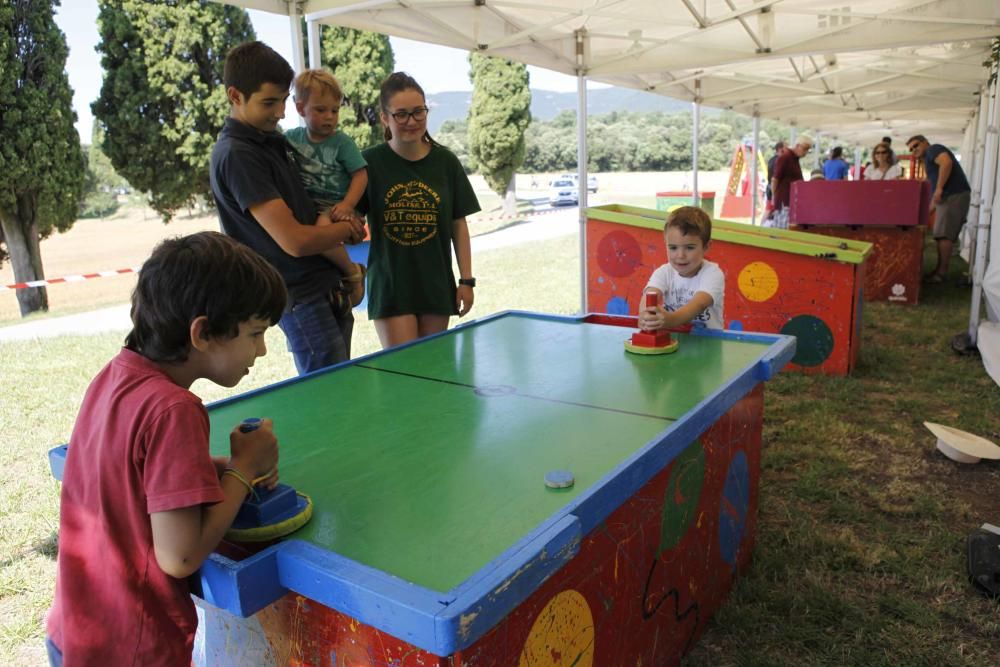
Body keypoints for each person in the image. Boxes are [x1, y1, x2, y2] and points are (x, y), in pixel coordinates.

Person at [46, 232, 284, 666]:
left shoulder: (116, 376)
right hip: (133, 650)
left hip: (73, 633)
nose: (263, 350)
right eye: (255, 333)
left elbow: (128, 472)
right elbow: (180, 556)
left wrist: (216, 467)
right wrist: (242, 471)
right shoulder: (175, 409)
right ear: (203, 332)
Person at [210, 41, 365, 375]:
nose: (280, 112)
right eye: (269, 102)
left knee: (344, 388)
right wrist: (347, 228)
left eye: (282, 100)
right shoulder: (238, 154)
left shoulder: (271, 140)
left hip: (326, 284)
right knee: (329, 397)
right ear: (235, 96)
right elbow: (295, 241)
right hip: (299, 292)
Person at [360, 72, 479, 349]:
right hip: (391, 287)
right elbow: (348, 218)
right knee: (405, 374)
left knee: (436, 373)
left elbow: (458, 225)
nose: (411, 121)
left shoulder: (446, 161)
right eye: (401, 114)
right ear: (385, 117)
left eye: (418, 112)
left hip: (435, 285)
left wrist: (467, 280)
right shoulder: (369, 163)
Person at [285, 68, 369, 307]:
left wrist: (348, 205)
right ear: (301, 109)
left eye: (335, 110)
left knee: (320, 230)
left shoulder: (341, 142)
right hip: (312, 205)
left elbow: (360, 175)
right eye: (320, 110)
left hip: (337, 206)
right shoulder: (292, 138)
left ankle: (352, 272)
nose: (330, 117)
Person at [638, 206, 725, 331]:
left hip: (708, 342)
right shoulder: (664, 272)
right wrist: (645, 316)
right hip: (673, 342)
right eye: (673, 248)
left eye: (689, 248)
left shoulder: (713, 274)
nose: (680, 255)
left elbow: (699, 304)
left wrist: (670, 320)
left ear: (706, 246)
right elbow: (650, 295)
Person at [906, 134, 972, 283]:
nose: (913, 150)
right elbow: (936, 194)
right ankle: (939, 271)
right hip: (949, 196)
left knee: (944, 235)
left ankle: (941, 274)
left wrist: (939, 188)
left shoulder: (933, 149)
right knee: (941, 234)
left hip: (953, 195)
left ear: (925, 142)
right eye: (911, 149)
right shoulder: (928, 159)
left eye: (916, 145)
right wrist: (927, 211)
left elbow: (946, 163)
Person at [769, 135, 813, 227]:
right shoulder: (785, 157)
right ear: (797, 146)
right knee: (783, 231)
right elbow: (775, 179)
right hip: (784, 202)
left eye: (807, 150)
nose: (806, 152)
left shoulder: (795, 159)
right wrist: (774, 197)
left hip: (791, 202)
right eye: (805, 149)